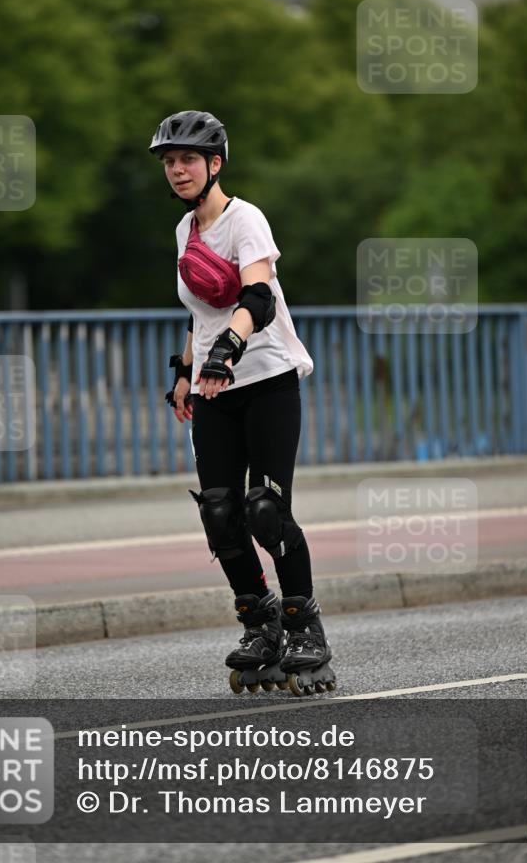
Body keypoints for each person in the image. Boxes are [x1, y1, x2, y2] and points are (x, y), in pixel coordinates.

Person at [149, 110, 335, 696]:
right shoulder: (185, 231)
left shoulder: (243, 218)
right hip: (212, 390)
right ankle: (261, 622)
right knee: (220, 513)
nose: (177, 169)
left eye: (188, 160)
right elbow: (199, 312)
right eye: (169, 161)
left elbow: (258, 294)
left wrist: (227, 350)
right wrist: (186, 369)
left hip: (268, 380)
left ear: (215, 164)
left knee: (265, 511)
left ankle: (307, 628)